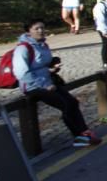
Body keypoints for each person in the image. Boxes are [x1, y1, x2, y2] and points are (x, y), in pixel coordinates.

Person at [11, 18, 101, 147]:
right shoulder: (23, 49)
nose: (41, 31)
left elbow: (41, 66)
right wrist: (44, 86)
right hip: (33, 86)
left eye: (42, 27)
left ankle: (85, 132)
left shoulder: (43, 45)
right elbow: (21, 73)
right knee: (65, 105)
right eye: (36, 28)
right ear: (28, 31)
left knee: (73, 102)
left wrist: (52, 70)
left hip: (49, 82)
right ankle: (79, 137)